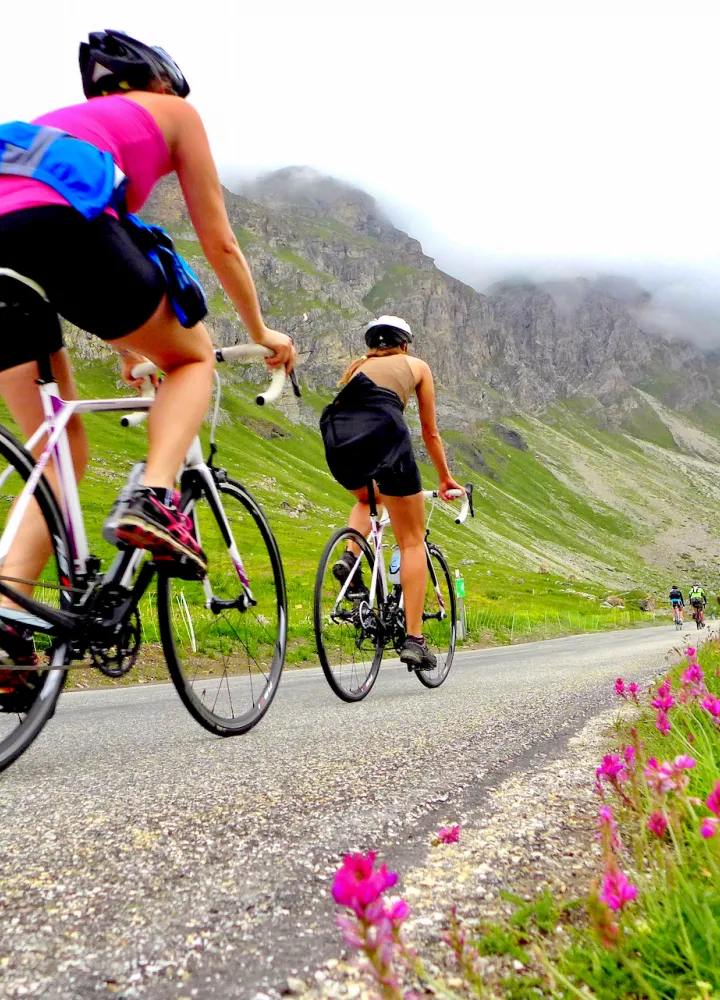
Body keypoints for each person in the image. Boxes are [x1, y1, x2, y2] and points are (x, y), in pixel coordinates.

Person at [0, 30, 295, 690]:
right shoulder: (175, 112)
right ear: (161, 81)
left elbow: (64, 262)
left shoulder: (55, 127)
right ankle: (156, 499)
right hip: (60, 229)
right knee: (193, 360)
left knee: (58, 450)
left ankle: (9, 623)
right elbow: (218, 241)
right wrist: (261, 331)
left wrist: (133, 349)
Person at [320, 315, 463, 671]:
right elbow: (430, 432)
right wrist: (445, 478)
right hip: (383, 428)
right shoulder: (416, 365)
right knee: (411, 541)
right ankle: (414, 639)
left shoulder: (356, 368)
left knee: (366, 498)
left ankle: (350, 557)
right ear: (404, 344)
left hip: (336, 432)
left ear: (371, 345)